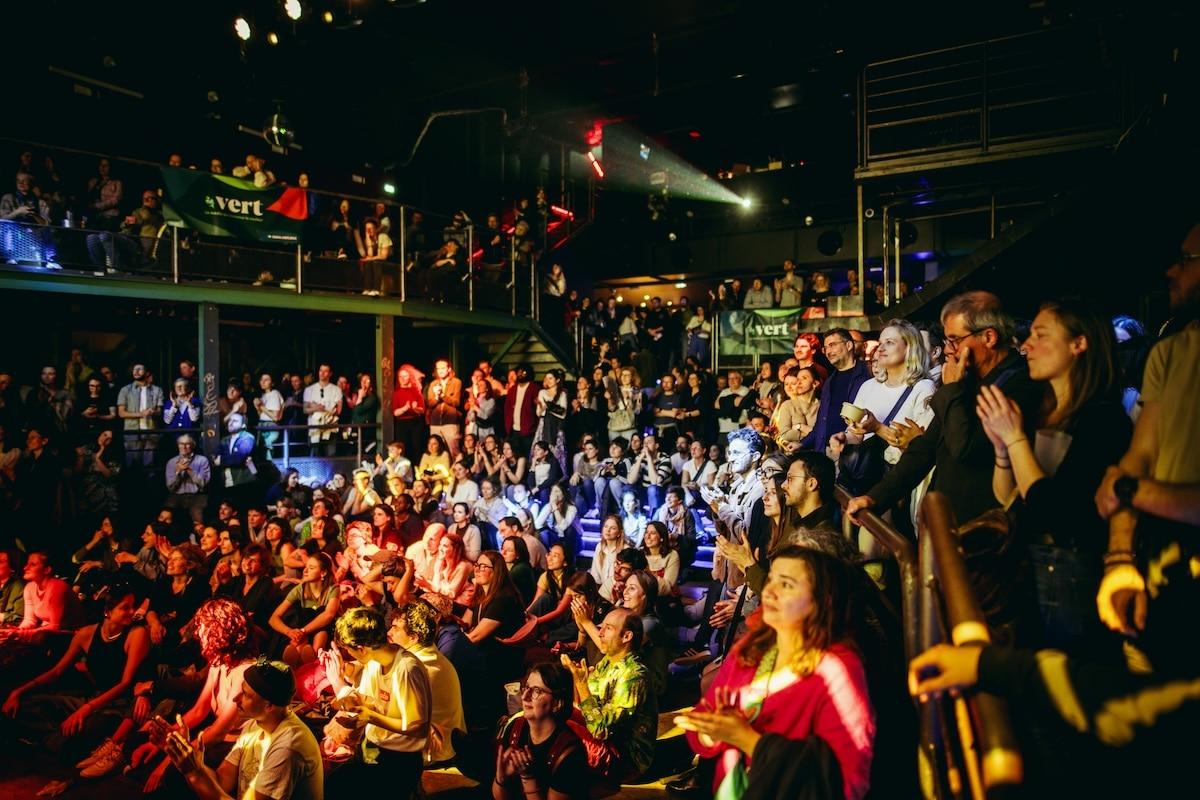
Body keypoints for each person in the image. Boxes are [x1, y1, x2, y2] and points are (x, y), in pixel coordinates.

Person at [675, 546, 876, 800]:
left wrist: (748, 740)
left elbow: (851, 778)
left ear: (823, 600)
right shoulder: (750, 649)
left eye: (787, 584)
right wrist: (711, 732)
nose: (769, 592)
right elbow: (705, 715)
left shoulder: (837, 670)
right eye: (770, 580)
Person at [846, 292, 1044, 527]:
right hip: (946, 522)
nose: (949, 350)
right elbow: (924, 449)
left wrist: (952, 389)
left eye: (955, 340)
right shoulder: (967, 380)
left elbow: (964, 448)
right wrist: (875, 498)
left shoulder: (1018, 384)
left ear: (989, 337)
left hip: (984, 527)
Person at [3, 585, 148, 761]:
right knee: (27, 705)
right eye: (125, 607)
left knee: (82, 735)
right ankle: (52, 738)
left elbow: (125, 683)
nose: (132, 611)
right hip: (92, 699)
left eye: (133, 606)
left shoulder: (137, 634)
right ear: (108, 611)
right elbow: (57, 671)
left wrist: (86, 710)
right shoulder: (87, 634)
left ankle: (48, 740)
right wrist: (18, 692)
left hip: (118, 705)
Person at [163, 659, 323, 800]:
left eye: (246, 695)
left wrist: (194, 772)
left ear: (269, 706)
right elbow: (221, 782)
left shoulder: (288, 748)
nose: (235, 699)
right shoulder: (255, 725)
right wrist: (191, 763)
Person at [321, 607, 431, 796]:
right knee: (330, 787)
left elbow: (418, 726)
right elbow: (369, 702)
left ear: (362, 649)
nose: (350, 655)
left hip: (398, 761)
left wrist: (370, 716)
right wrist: (345, 691)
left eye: (349, 651)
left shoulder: (406, 669)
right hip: (371, 748)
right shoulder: (374, 663)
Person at [560, 607, 657, 782]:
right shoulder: (607, 662)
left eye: (609, 628)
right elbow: (583, 711)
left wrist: (582, 685)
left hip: (626, 760)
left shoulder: (634, 676)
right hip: (605, 742)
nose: (601, 633)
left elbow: (600, 730)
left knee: (557, 734)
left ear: (627, 636)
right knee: (550, 715)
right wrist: (576, 677)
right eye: (601, 626)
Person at [493, 661, 588, 800]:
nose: (525, 696)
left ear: (557, 703)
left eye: (537, 691)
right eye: (526, 688)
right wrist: (501, 779)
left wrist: (528, 778)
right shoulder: (515, 729)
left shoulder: (570, 753)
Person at [389, 600, 467, 765]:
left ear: (413, 637)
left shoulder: (416, 668)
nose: (389, 633)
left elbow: (389, 714)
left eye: (395, 628)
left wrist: (340, 685)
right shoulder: (431, 657)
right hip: (446, 750)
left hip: (435, 758)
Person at [268, 552, 340, 666]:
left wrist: (303, 631)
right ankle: (301, 654)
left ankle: (314, 654)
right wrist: (290, 632)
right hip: (301, 635)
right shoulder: (299, 589)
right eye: (305, 567)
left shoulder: (333, 588)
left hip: (324, 633)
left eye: (311, 568)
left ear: (323, 572)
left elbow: (329, 615)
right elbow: (273, 618)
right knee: (297, 614)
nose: (305, 571)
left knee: (321, 612)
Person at [117, 363, 163, 468]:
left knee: (150, 466)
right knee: (132, 465)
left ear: (146, 373)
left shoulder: (157, 390)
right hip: (132, 431)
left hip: (151, 432)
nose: (136, 371)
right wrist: (141, 414)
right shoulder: (126, 390)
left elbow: (160, 411)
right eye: (134, 369)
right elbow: (121, 413)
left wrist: (153, 412)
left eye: (139, 369)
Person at [165, 434, 211, 524]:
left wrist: (189, 470)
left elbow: (203, 483)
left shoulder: (202, 460)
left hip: (197, 495)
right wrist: (178, 473)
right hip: (176, 495)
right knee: (166, 514)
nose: (184, 447)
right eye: (181, 444)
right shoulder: (171, 462)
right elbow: (170, 487)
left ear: (193, 445)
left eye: (187, 444)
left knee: (197, 514)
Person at [426, 359, 464, 458]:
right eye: (438, 368)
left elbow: (456, 402)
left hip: (450, 421)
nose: (440, 370)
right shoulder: (433, 384)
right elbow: (429, 404)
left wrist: (443, 395)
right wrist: (436, 397)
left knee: (453, 450)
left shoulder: (456, 382)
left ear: (449, 369)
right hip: (435, 423)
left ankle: (458, 471)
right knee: (435, 450)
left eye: (443, 368)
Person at [303, 363, 343, 457]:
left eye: (325, 371)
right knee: (314, 456)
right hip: (314, 429)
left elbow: (338, 410)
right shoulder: (309, 389)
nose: (322, 373)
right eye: (321, 370)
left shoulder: (336, 389)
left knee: (331, 456)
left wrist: (323, 409)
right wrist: (316, 408)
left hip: (330, 428)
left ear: (330, 374)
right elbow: (305, 409)